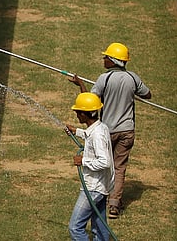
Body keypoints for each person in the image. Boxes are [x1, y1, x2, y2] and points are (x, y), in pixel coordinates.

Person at [69, 42, 151, 219]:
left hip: (108, 130)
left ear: (114, 61)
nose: (103, 59)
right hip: (127, 130)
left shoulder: (104, 79)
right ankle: (114, 204)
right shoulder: (133, 78)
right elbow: (147, 94)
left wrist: (80, 84)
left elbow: (89, 101)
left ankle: (102, 196)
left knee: (105, 164)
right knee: (119, 167)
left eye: (106, 57)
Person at [66, 92, 115, 241]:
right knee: (100, 227)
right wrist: (77, 131)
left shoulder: (97, 135)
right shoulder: (101, 127)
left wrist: (83, 161)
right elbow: (91, 135)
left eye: (78, 112)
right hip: (102, 185)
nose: (76, 115)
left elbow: (104, 161)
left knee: (75, 227)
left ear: (85, 114)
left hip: (93, 187)